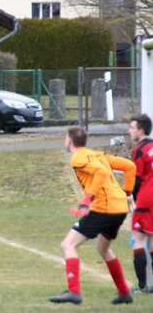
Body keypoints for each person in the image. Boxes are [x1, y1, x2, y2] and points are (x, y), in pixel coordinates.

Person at [49, 127, 135, 305]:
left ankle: (74, 292)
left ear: (69, 140)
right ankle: (124, 293)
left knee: (68, 244)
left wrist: (89, 198)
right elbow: (129, 166)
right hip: (119, 208)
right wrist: (127, 192)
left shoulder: (78, 157)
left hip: (103, 207)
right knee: (103, 249)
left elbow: (101, 173)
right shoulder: (98, 155)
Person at [128, 113, 153, 293]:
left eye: (132, 128)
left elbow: (135, 180)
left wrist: (133, 199)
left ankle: (141, 285)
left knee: (138, 239)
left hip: (145, 200)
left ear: (141, 130)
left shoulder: (139, 150)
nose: (130, 131)